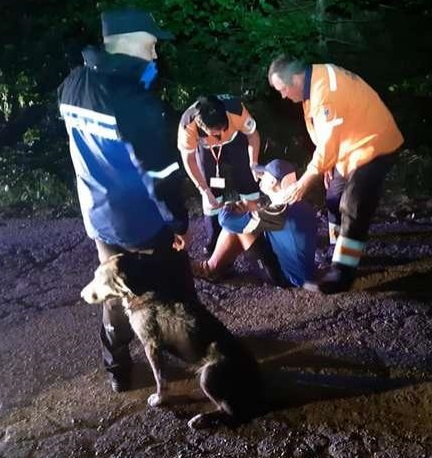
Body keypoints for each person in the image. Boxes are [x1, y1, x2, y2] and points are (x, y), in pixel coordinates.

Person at [58, 8, 198, 393]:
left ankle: (117, 368)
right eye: (150, 45)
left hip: (97, 215)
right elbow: (160, 175)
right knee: (176, 285)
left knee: (115, 290)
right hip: (142, 221)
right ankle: (194, 348)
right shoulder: (137, 103)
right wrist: (178, 223)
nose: (154, 54)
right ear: (128, 43)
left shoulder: (72, 83)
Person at [268, 55, 404, 294]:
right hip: (350, 148)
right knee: (334, 197)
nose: (283, 96)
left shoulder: (324, 91)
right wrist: (328, 164)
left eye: (283, 89)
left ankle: (342, 272)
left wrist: (305, 180)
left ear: (296, 79)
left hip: (375, 144)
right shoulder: (313, 83)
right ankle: (341, 247)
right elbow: (327, 134)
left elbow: (329, 142)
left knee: (352, 205)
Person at [192, 159, 317, 288]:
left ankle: (210, 269)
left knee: (238, 225)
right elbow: (276, 220)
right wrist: (255, 208)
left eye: (264, 175)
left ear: (273, 182)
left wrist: (229, 206)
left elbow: (226, 220)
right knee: (246, 220)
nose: (260, 177)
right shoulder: (300, 205)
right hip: (304, 273)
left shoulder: (280, 212)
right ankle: (221, 266)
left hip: (286, 278)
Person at [177, 94, 261, 255]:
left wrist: (254, 163)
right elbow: (189, 160)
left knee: (248, 180)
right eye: (216, 132)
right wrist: (203, 189)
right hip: (207, 149)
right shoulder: (187, 126)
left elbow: (253, 135)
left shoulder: (236, 109)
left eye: (223, 127)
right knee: (211, 193)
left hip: (235, 139)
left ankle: (256, 232)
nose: (221, 134)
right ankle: (214, 242)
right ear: (201, 126)